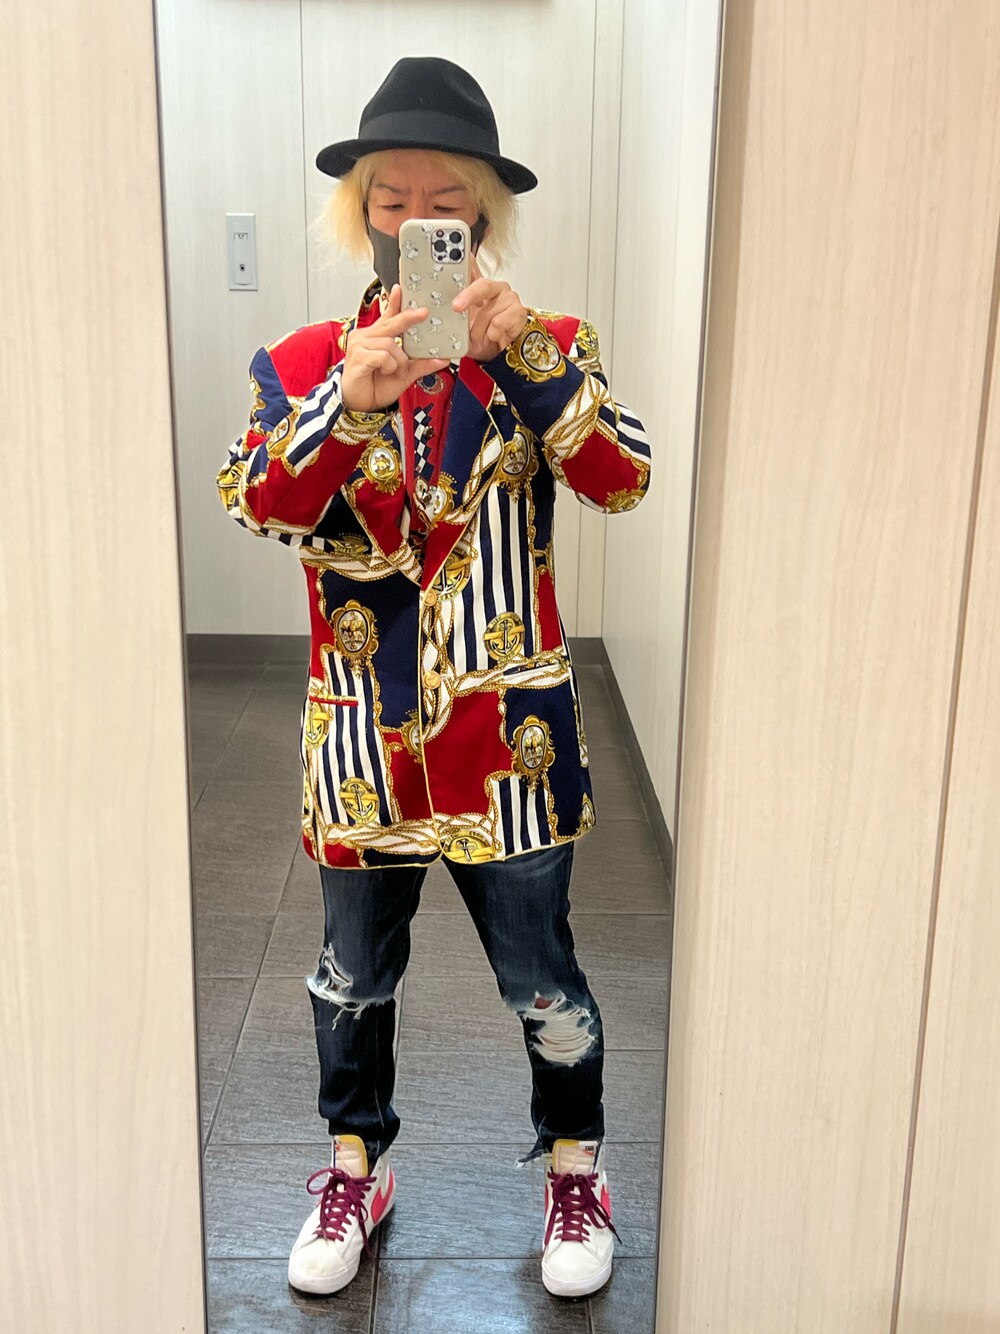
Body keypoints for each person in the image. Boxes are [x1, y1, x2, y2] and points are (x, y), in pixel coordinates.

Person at [216, 55, 651, 1302]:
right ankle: (355, 1163)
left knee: (543, 978)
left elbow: (622, 478)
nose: (415, 220)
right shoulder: (305, 359)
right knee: (351, 980)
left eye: (443, 201)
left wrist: (529, 365)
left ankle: (575, 1167)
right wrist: (346, 406)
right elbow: (256, 499)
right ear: (359, 211)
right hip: (364, 742)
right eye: (391, 198)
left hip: (508, 745)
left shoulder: (545, 347)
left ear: (482, 216)